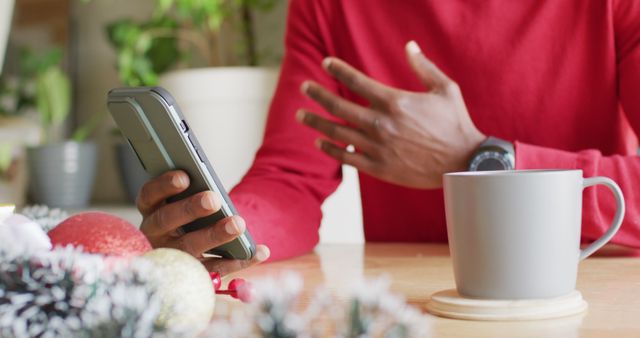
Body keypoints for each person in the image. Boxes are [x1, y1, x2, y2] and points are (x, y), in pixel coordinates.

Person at [136, 0, 640, 275]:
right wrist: (221, 228)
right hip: (413, 303)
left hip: (585, 288)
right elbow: (290, 178)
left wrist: (480, 158)